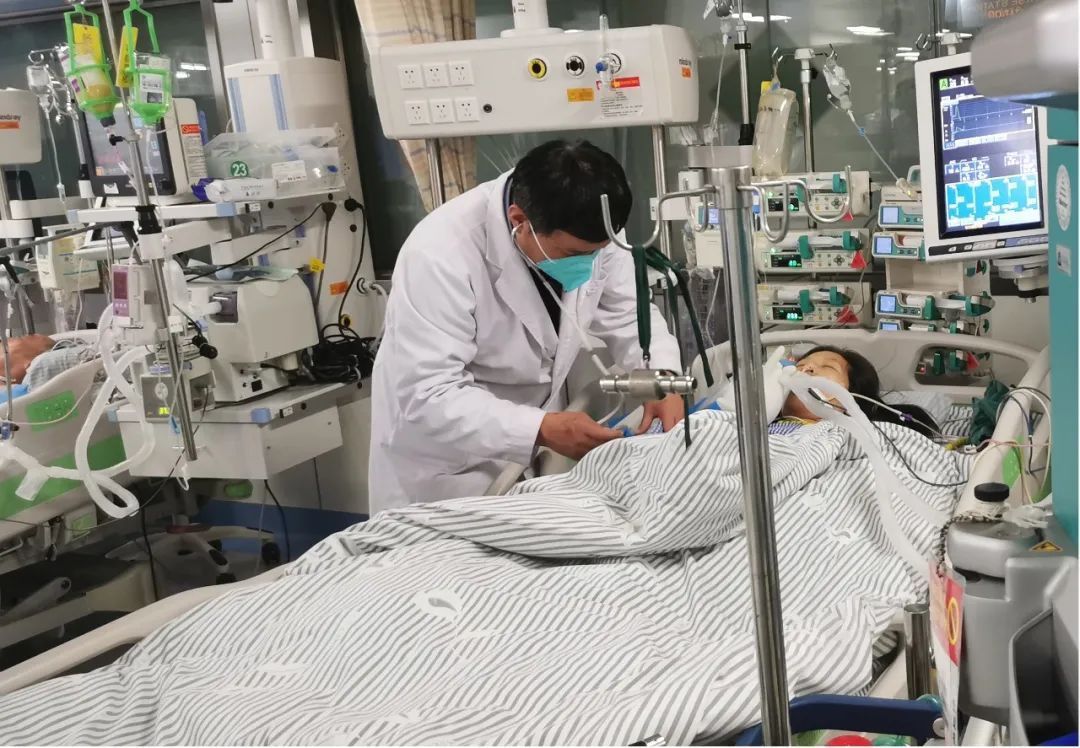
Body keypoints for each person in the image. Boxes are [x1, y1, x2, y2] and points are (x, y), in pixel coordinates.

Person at [369, 140, 684, 514]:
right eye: (574, 255)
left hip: (527, 454)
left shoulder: (591, 224)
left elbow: (628, 314)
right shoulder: (439, 254)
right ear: (519, 221)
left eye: (598, 252)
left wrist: (661, 380)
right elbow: (428, 394)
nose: (590, 264)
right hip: (445, 466)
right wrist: (541, 429)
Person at [777, 346, 940, 438]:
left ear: (852, 399)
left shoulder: (837, 437)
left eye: (828, 367)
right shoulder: (763, 424)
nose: (806, 368)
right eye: (800, 365)